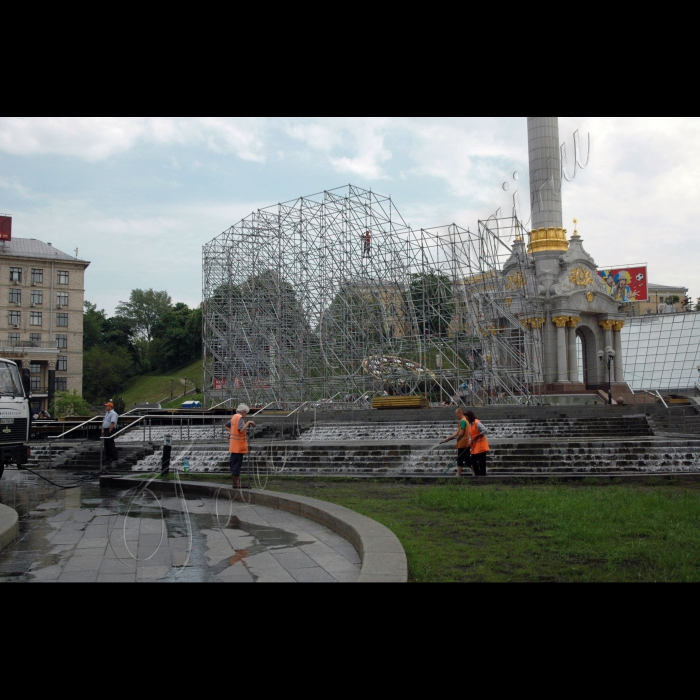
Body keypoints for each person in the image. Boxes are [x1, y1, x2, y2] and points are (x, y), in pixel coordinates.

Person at [225, 404, 256, 489]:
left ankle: (236, 482)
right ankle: (236, 483)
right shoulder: (240, 418)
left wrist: (231, 432)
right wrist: (249, 422)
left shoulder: (234, 416)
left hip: (233, 445)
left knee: (234, 463)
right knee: (237, 465)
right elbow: (241, 429)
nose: (246, 414)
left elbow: (226, 425)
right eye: (246, 413)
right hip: (238, 446)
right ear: (243, 412)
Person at [443, 408, 472, 478]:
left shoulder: (462, 421)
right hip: (466, 443)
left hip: (462, 443)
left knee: (460, 458)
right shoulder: (466, 421)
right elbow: (457, 432)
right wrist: (449, 438)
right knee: (467, 459)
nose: (456, 416)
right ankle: (474, 472)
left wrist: (458, 439)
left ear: (460, 413)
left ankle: (458, 474)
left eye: (456, 414)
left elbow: (461, 433)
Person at [465, 411, 490, 477]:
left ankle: (482, 476)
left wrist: (477, 436)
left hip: (481, 446)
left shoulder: (477, 422)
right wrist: (470, 441)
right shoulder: (470, 424)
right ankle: (478, 474)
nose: (466, 419)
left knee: (481, 462)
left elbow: (485, 430)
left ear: (469, 417)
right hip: (475, 447)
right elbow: (471, 434)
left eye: (466, 417)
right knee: (473, 461)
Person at [102, 401, 119, 465]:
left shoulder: (113, 413)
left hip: (110, 429)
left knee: (110, 443)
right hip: (106, 429)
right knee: (106, 443)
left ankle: (113, 456)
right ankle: (108, 456)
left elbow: (113, 422)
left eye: (107, 406)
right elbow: (104, 421)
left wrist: (109, 430)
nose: (106, 407)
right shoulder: (107, 413)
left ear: (110, 407)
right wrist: (103, 429)